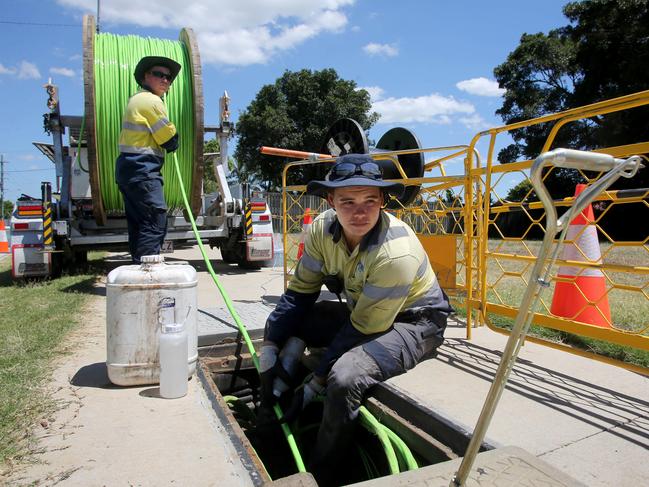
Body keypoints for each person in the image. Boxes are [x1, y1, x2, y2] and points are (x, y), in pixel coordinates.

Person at [258, 153, 453, 485]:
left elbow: (362, 330)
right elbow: (299, 294)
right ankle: (276, 389)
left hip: (414, 323)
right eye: (347, 201)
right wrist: (271, 350)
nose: (359, 212)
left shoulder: (396, 253)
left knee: (345, 375)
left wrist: (314, 385)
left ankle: (322, 471)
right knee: (291, 321)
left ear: (383, 202)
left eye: (369, 201)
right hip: (366, 310)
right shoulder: (321, 229)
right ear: (331, 200)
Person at [115, 56, 181, 264]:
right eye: (159, 75)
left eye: (168, 78)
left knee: (140, 224)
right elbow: (169, 140)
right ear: (146, 76)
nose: (165, 80)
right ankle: (147, 275)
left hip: (130, 169)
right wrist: (174, 138)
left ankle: (137, 270)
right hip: (142, 168)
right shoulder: (151, 101)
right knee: (155, 220)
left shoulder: (136, 99)